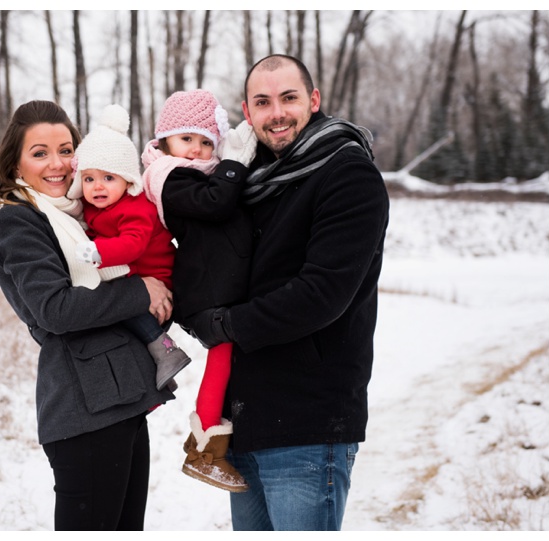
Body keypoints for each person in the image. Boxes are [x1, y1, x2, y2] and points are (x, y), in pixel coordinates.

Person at [187, 54, 390, 530]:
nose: (276, 112)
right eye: (263, 102)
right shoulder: (250, 179)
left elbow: (321, 294)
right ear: (248, 111)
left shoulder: (347, 174)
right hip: (247, 419)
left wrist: (224, 324)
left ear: (313, 100)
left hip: (309, 420)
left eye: (288, 98)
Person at [0, 100, 176, 531]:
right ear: (16, 163)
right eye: (40, 152)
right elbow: (56, 310)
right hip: (82, 409)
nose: (58, 164)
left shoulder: (85, 215)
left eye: (66, 149)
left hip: (121, 400)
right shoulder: (19, 222)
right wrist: (139, 290)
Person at [140, 89, 257, 492]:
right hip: (206, 289)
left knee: (229, 360)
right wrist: (232, 165)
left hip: (218, 284)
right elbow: (215, 205)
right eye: (187, 138)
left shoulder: (194, 172)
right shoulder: (169, 176)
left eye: (206, 141)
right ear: (166, 139)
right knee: (222, 358)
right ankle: (205, 447)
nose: (195, 149)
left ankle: (212, 439)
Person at [66, 103, 191, 391]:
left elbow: (133, 245)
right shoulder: (97, 204)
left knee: (129, 310)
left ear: (127, 180)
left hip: (155, 275)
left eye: (108, 178)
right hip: (131, 274)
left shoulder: (136, 207)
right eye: (89, 178)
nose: (98, 186)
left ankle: (166, 350)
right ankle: (155, 371)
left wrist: (98, 252)